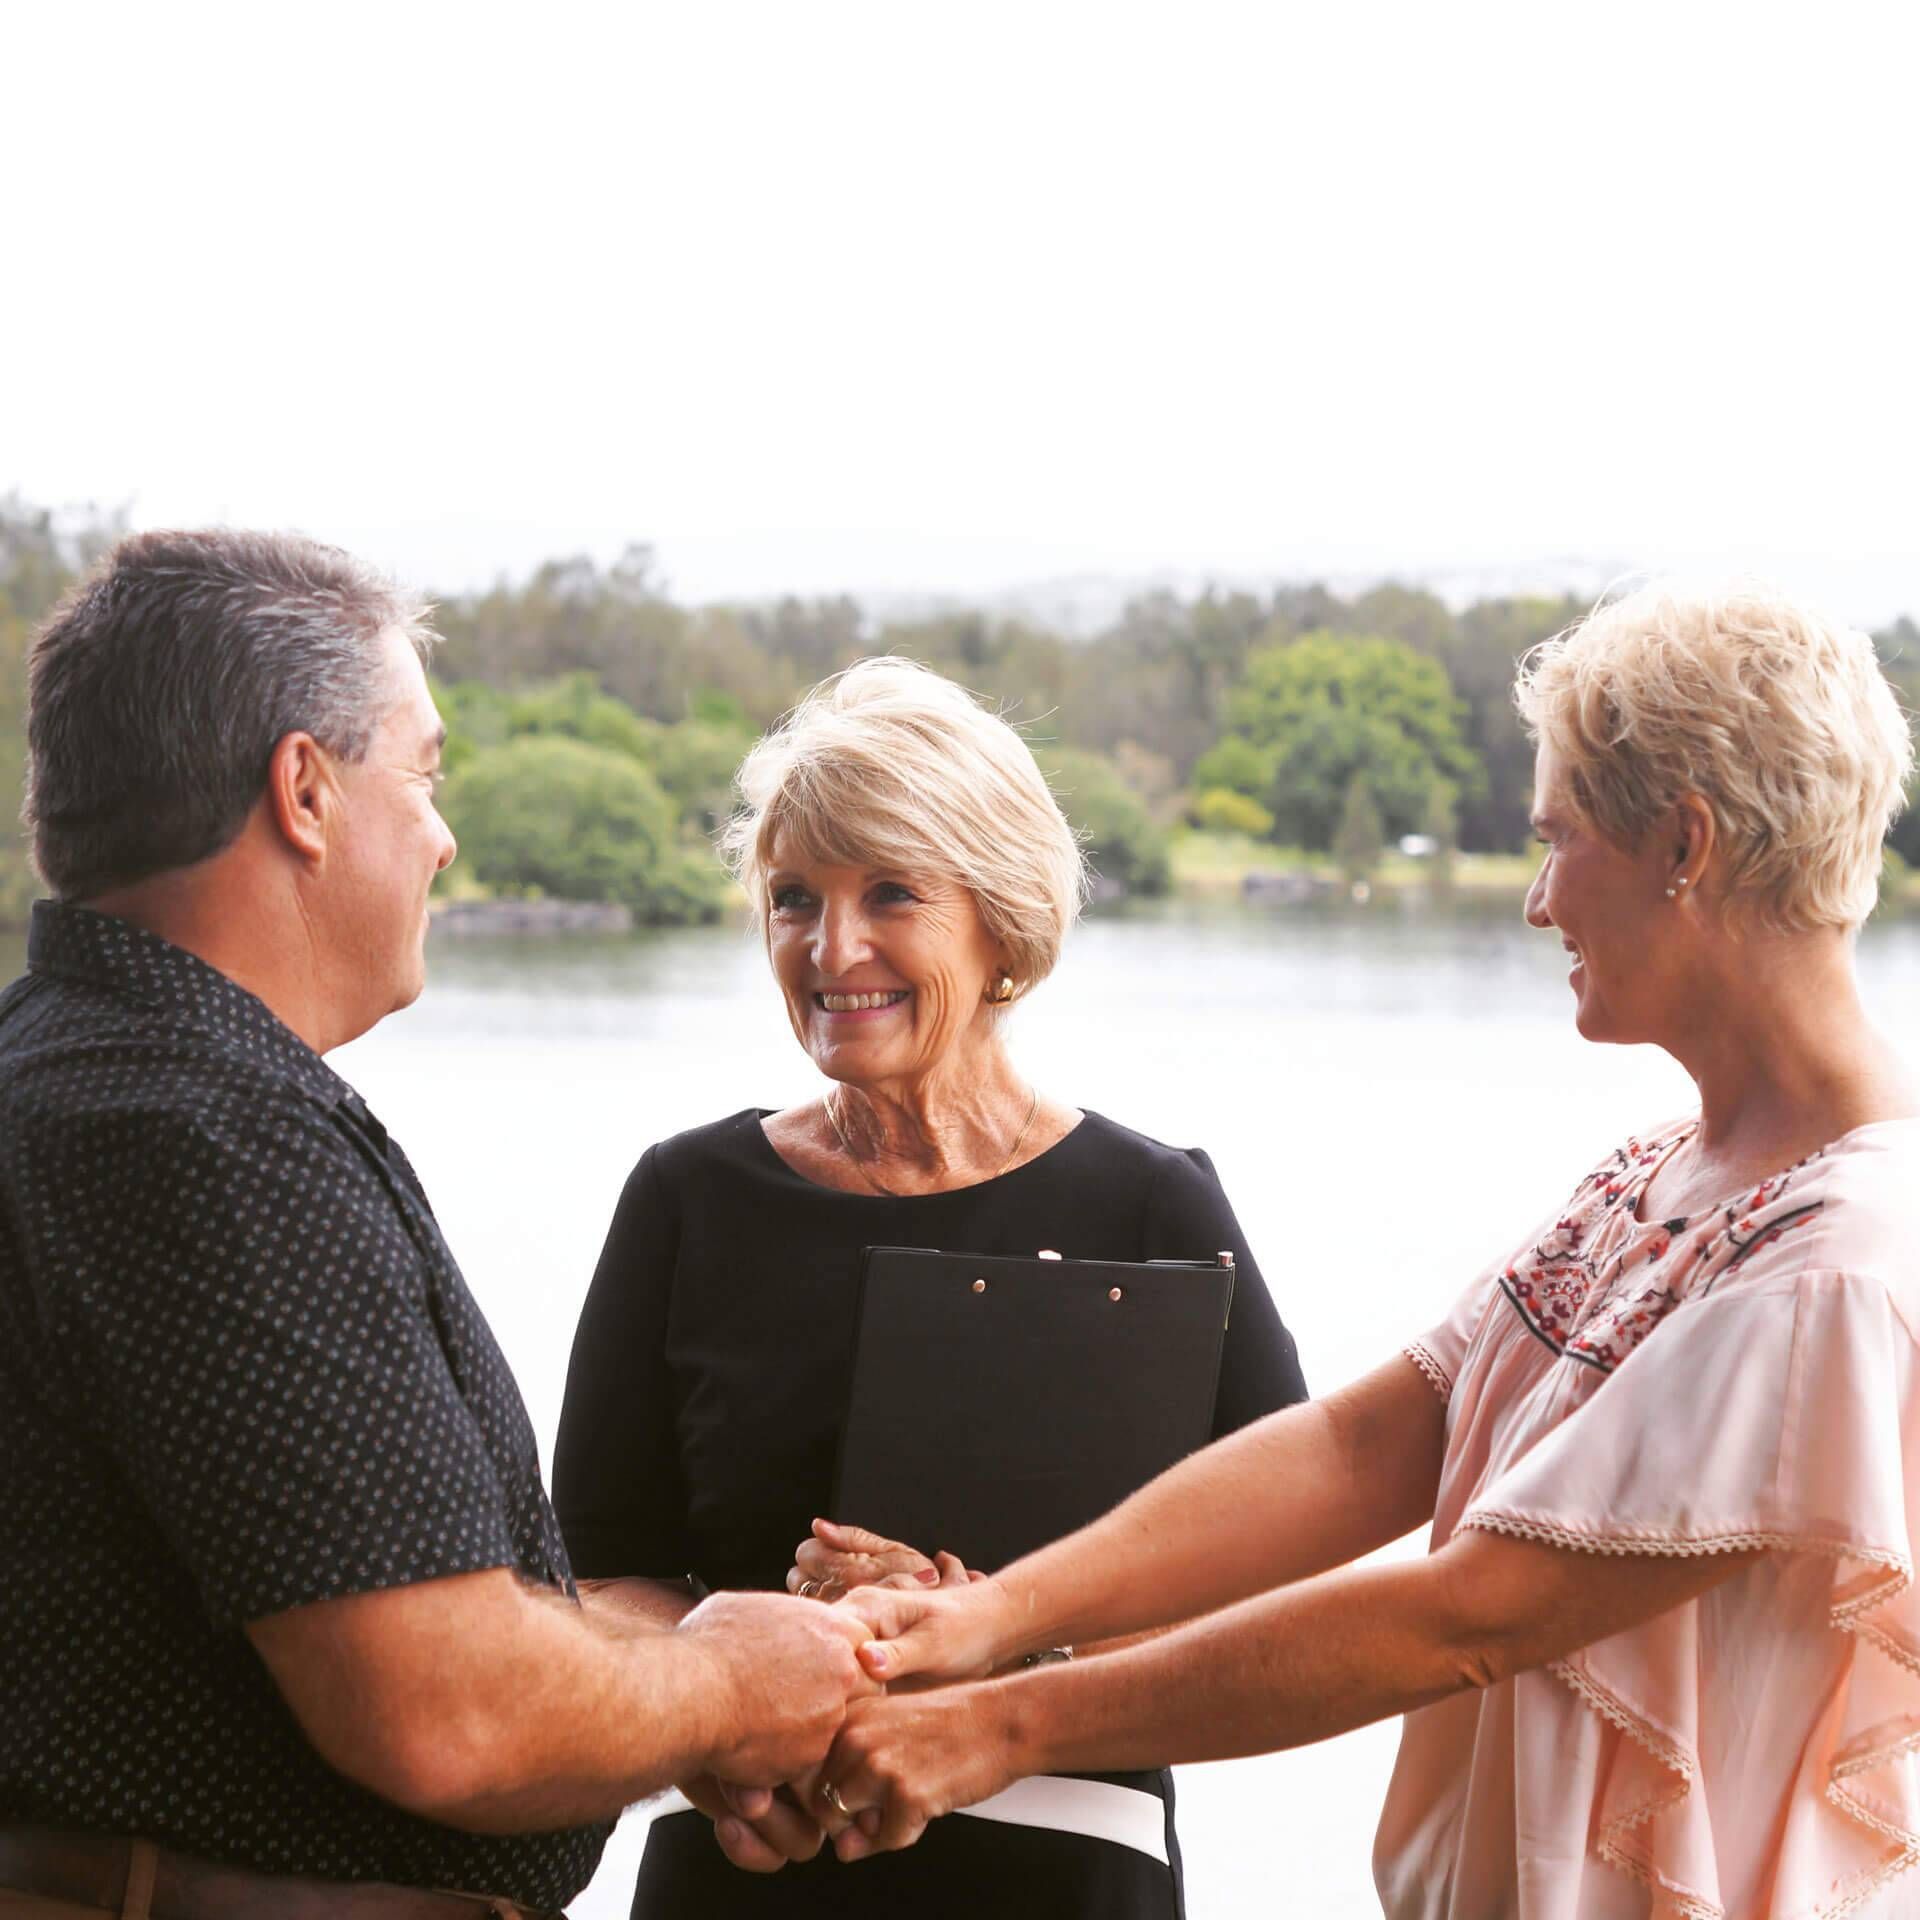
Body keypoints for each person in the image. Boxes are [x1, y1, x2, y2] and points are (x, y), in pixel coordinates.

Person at [810, 583, 1920, 1920]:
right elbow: (1373, 1442)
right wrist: (988, 1618)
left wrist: (996, 1728)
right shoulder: (1659, 1174)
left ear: (1685, 846)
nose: (1535, 899)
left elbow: (1465, 1618)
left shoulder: (1841, 1265)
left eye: (1558, 838)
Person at [0, 530, 874, 1920]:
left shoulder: (72, 1070)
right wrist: (724, 1689)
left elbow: (423, 1616)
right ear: (304, 791)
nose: (445, 830)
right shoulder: (200, 1127)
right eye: (425, 769)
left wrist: (687, 1665)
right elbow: (442, 1710)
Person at [551, 656, 1307, 1919]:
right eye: (795, 899)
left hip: (1067, 1876)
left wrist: (997, 1629)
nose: (831, 947)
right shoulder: (686, 1197)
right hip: (749, 1868)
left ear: (1000, 916)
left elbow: (1281, 1585)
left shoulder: (1154, 1205)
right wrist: (727, 1698)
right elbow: (593, 1576)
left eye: (890, 893)